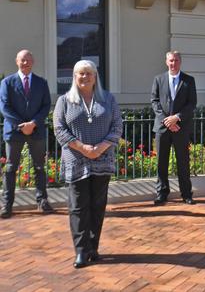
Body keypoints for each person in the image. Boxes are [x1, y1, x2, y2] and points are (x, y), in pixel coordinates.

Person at [53, 60, 122, 268]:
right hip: (76, 160)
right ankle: (81, 251)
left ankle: (93, 247)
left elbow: (117, 125)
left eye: (88, 73)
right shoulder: (65, 101)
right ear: (74, 77)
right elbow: (59, 128)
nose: (84, 77)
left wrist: (100, 147)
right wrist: (83, 148)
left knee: (97, 206)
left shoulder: (108, 99)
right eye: (80, 74)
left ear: (95, 77)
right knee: (78, 207)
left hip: (102, 160)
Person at [0, 49, 53, 219]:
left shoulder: (41, 83)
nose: (25, 63)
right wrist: (22, 125)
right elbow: (4, 107)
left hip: (36, 131)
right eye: (22, 60)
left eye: (28, 60)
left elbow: (46, 106)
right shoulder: (7, 83)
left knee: (39, 167)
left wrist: (33, 123)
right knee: (10, 168)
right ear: (17, 61)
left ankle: (42, 201)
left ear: (33, 62)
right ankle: (7, 204)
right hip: (14, 132)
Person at [151, 51, 197, 205]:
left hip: (180, 128)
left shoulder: (189, 81)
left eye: (176, 60)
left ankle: (186, 194)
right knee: (161, 163)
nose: (173, 63)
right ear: (166, 62)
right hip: (162, 128)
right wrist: (167, 121)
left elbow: (191, 104)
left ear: (180, 62)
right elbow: (155, 101)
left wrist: (176, 118)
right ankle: (162, 193)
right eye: (171, 60)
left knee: (183, 162)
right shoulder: (158, 79)